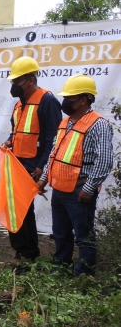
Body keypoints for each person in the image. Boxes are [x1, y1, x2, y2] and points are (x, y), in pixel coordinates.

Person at [38, 75, 113, 276]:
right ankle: (61, 267)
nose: (66, 101)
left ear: (85, 99)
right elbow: (54, 153)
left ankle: (84, 275)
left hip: (80, 190)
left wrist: (88, 188)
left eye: (71, 97)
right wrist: (44, 177)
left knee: (83, 235)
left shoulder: (98, 125)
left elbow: (104, 160)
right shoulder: (65, 122)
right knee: (61, 233)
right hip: (60, 188)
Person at [3, 57, 61, 264]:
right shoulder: (19, 105)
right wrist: (10, 141)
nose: (13, 86)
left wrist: (41, 166)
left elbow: (53, 139)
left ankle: (27, 252)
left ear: (30, 79)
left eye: (16, 81)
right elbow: (16, 131)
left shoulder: (47, 101)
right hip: (17, 164)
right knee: (16, 208)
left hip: (32, 166)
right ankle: (23, 250)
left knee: (22, 208)